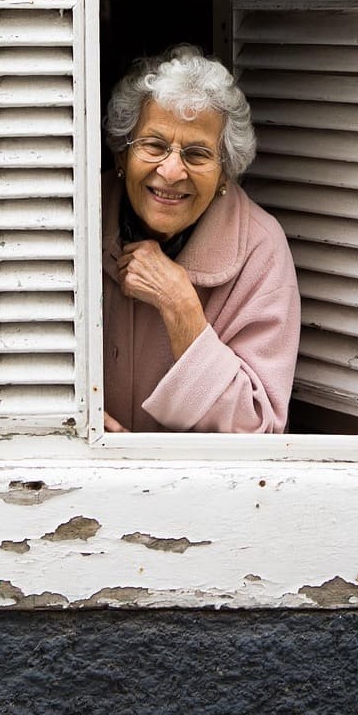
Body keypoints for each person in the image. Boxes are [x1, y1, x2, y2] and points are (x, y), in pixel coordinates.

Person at [101, 44, 300, 433]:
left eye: (196, 154)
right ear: (122, 157)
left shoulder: (260, 249)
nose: (172, 171)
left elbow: (258, 430)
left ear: (225, 173)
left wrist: (180, 305)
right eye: (154, 146)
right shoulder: (71, 219)